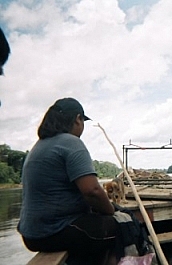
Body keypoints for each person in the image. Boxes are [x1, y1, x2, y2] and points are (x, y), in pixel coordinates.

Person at [18, 97, 118, 265]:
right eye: (83, 121)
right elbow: (92, 191)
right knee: (120, 225)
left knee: (93, 229)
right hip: (54, 231)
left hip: (30, 235)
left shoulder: (39, 145)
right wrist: (110, 210)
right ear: (78, 119)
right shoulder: (71, 142)